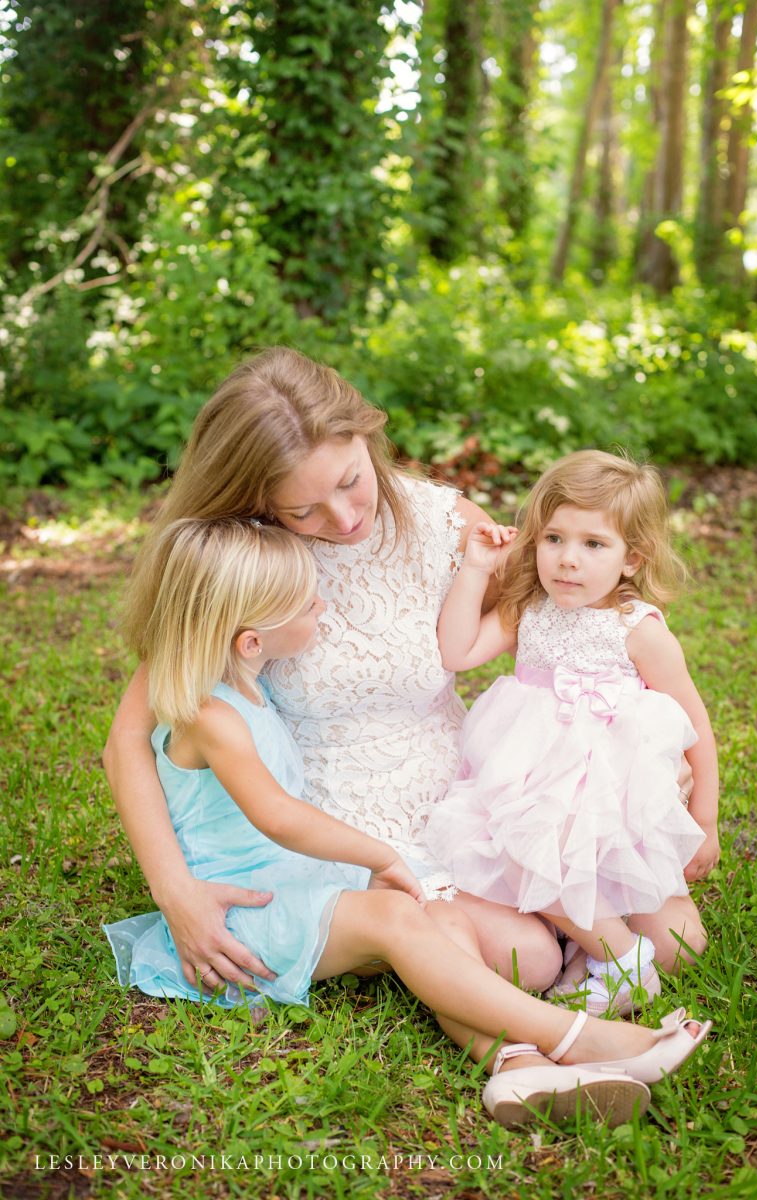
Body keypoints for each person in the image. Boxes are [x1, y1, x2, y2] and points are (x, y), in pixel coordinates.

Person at [103, 347, 705, 993]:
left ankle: (563, 918)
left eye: (349, 480)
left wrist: (629, 755)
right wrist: (177, 893)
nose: (343, 518)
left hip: (479, 789)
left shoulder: (443, 521)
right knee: (526, 960)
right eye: (302, 510)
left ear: (366, 435)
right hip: (352, 824)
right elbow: (128, 741)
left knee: (679, 946)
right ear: (257, 500)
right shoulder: (245, 563)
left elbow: (567, 620)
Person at [103, 515, 711, 1129]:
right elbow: (279, 816)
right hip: (239, 909)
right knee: (398, 915)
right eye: (304, 600)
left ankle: (514, 1066)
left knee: (436, 914)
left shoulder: (241, 687)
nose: (322, 603)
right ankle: (579, 1038)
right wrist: (382, 856)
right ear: (251, 642)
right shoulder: (215, 716)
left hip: (292, 877)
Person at [424, 450, 720, 1016]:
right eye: (554, 538)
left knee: (683, 947)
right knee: (534, 849)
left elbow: (694, 727)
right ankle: (620, 958)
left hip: (611, 811)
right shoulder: (527, 610)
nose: (567, 561)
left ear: (632, 558)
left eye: (594, 545)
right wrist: (477, 569)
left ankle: (595, 940)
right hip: (530, 795)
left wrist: (703, 819)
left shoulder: (640, 630)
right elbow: (455, 652)